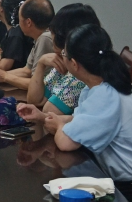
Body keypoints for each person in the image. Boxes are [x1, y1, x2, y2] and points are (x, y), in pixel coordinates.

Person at [44, 25, 132, 181]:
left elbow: (66, 143)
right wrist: (42, 117)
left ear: (74, 63)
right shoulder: (102, 84)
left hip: (125, 186)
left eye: (64, 53)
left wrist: (59, 125)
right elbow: (80, 119)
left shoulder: (104, 95)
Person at [17, 4, 101, 122]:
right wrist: (41, 64)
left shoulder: (81, 71)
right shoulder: (62, 60)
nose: (50, 35)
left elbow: (49, 111)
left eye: (52, 31)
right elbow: (35, 100)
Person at [0, 0, 54, 90]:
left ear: (28, 22)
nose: (18, 25)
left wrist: (5, 77)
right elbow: (27, 71)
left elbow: (38, 84)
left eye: (19, 20)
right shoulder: (39, 37)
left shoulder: (45, 38)